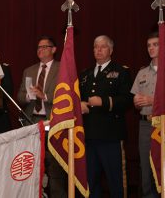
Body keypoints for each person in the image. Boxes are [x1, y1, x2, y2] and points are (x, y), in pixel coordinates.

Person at [79, 35, 133, 198]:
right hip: (89, 135)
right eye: (96, 47)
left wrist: (103, 101)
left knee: (115, 181)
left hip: (111, 135)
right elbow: (77, 97)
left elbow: (127, 100)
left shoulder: (121, 71)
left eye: (103, 47)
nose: (99, 50)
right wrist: (79, 105)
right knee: (91, 181)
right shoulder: (85, 74)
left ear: (111, 50)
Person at [17, 36, 66, 197]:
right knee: (32, 163)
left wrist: (44, 96)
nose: (41, 50)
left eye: (45, 47)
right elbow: (20, 96)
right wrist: (30, 96)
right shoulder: (29, 70)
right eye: (38, 47)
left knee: (54, 165)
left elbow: (67, 94)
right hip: (32, 122)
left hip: (53, 120)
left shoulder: (62, 69)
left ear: (54, 49)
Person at [131, 32, 160, 198]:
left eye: (155, 44)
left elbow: (152, 100)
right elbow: (135, 98)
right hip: (145, 124)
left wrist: (152, 100)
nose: (151, 48)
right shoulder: (142, 73)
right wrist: (137, 102)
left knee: (161, 165)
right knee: (145, 166)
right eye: (149, 45)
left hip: (162, 124)